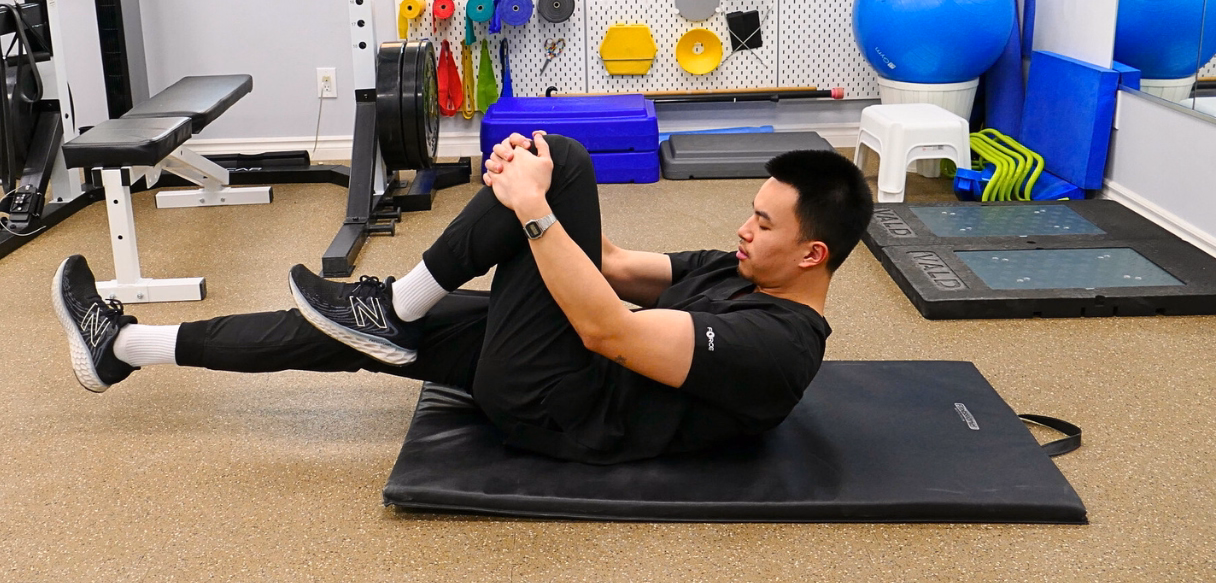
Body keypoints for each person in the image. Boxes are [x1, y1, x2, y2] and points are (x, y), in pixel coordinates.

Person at [52, 132, 873, 464]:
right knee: (353, 330)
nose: (742, 229)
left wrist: (537, 206)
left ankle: (395, 302)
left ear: (812, 252)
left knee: (569, 168)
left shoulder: (779, 345)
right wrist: (524, 182)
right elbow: (614, 264)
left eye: (761, 224)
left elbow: (608, 329)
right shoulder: (743, 268)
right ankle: (122, 347)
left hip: (564, 406)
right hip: (564, 368)